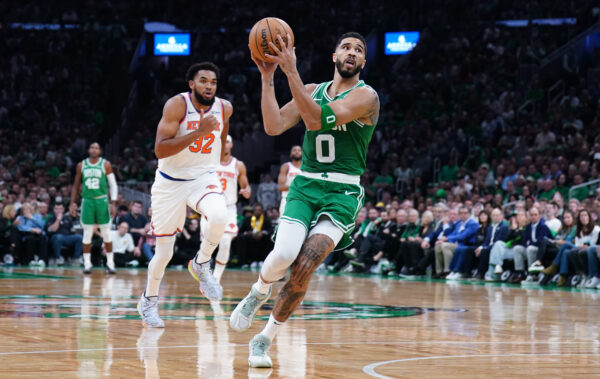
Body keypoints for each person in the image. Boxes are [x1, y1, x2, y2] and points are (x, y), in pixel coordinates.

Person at [230, 32, 379, 368]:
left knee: (305, 264)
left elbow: (315, 119)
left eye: (358, 50)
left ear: (363, 62)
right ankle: (258, 291)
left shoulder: (366, 96)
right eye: (345, 47)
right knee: (283, 254)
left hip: (342, 191)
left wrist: (290, 71)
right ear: (334, 55)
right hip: (306, 185)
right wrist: (269, 78)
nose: (351, 52)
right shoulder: (312, 90)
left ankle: (264, 338)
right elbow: (273, 125)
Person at [138, 62, 231, 328]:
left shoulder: (225, 108)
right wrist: (198, 132)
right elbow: (160, 149)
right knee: (164, 253)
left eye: (213, 82)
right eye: (203, 81)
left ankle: (201, 263)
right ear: (191, 84)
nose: (209, 86)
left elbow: (220, 141)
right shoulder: (176, 106)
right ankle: (148, 300)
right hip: (170, 182)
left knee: (219, 215)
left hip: (203, 176)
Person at [201, 134, 251, 283]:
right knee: (207, 244)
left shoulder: (238, 165)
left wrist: (247, 190)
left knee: (225, 242)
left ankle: (215, 280)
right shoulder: (209, 162)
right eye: (223, 141)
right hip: (209, 206)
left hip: (228, 208)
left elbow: (245, 186)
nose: (225, 144)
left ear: (231, 145)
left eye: (228, 141)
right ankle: (204, 276)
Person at [70, 142, 118, 274]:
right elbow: (75, 186)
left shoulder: (105, 164)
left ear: (100, 151)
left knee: (106, 232)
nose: (94, 149)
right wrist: (72, 203)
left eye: (97, 147)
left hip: (101, 200)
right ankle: (87, 263)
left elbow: (113, 185)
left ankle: (110, 263)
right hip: (87, 201)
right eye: (92, 147)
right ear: (88, 150)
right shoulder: (81, 165)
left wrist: (113, 203)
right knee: (87, 233)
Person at [277, 145, 302, 217]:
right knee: (283, 225)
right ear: (290, 154)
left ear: (302, 153)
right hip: (287, 200)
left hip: (302, 201)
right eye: (294, 150)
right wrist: (296, 187)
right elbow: (280, 187)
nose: (297, 152)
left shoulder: (306, 167)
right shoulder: (286, 166)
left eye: (299, 150)